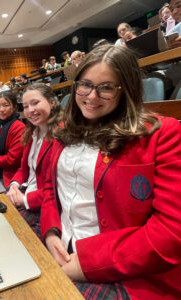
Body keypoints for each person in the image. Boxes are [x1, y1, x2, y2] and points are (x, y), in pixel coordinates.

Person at [40, 44, 181, 299]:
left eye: (106, 87)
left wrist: (88, 262)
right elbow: (50, 190)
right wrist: (51, 232)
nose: (91, 97)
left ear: (125, 90)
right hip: (60, 248)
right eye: (85, 84)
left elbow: (172, 232)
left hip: (126, 274)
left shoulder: (162, 134)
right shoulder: (63, 130)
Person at [7, 83, 62, 238]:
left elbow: (57, 189)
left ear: (52, 102)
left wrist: (24, 200)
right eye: (25, 106)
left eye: (35, 103)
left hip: (41, 207)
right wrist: (14, 185)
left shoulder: (61, 134)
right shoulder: (32, 132)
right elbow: (24, 170)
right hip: (23, 193)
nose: (30, 110)